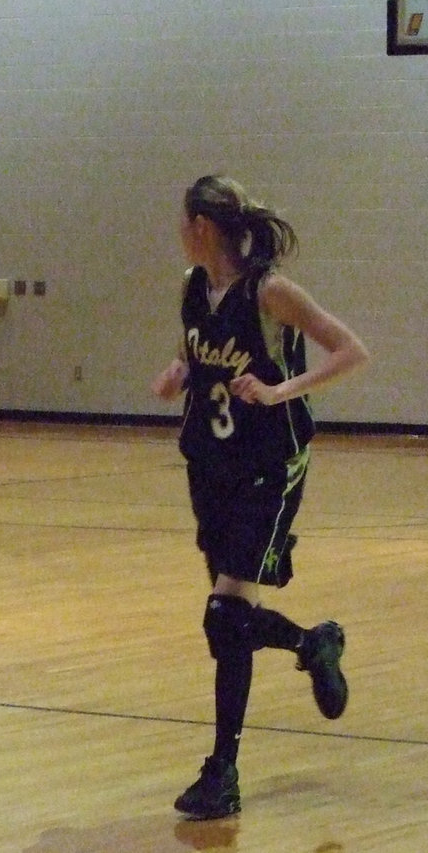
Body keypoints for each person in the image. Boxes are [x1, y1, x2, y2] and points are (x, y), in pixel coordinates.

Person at [151, 175, 370, 820]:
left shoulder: (271, 290)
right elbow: (202, 351)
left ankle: (223, 770)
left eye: (181, 221)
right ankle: (311, 644)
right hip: (209, 463)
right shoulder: (193, 289)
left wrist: (282, 390)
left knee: (224, 616)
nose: (177, 232)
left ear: (202, 227)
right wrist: (182, 370)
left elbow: (352, 350)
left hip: (266, 466)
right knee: (230, 623)